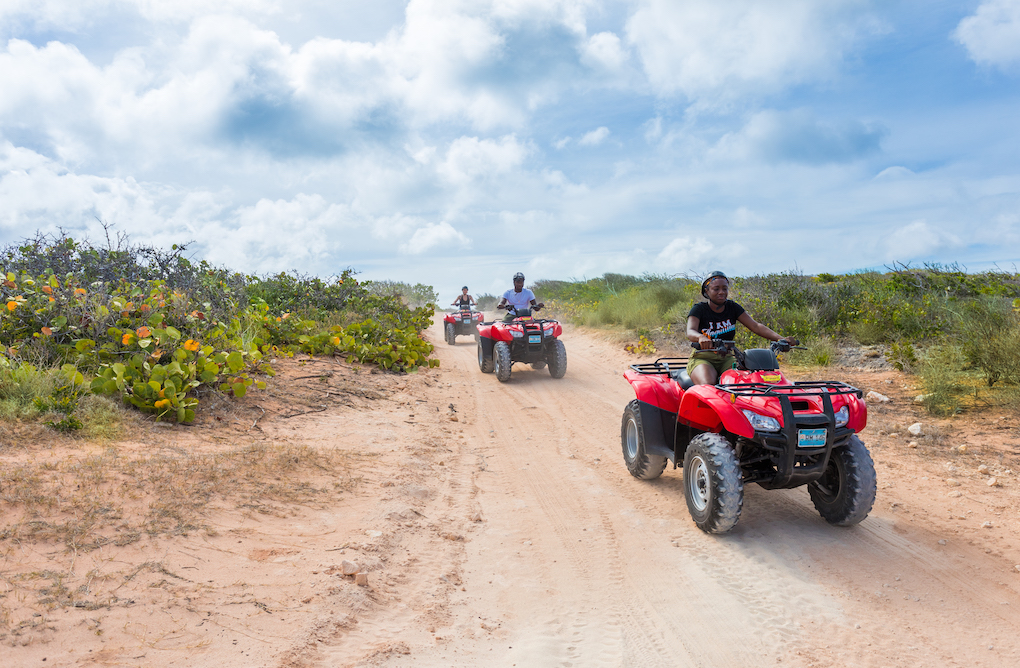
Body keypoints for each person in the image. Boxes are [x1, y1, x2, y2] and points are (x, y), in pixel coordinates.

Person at [686, 271, 797, 385]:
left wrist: (780, 339)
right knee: (708, 385)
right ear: (707, 291)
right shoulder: (699, 309)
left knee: (743, 384)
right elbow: (690, 331)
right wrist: (700, 337)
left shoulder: (732, 307)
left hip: (727, 358)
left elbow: (755, 326)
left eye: (725, 288)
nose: (721, 292)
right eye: (716, 289)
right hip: (703, 358)